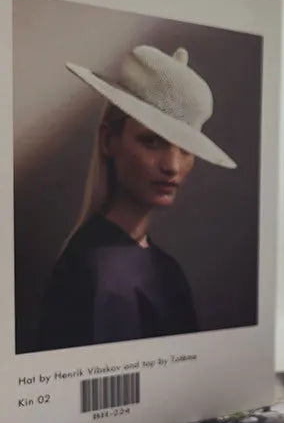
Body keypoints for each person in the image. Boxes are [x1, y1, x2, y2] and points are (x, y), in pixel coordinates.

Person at [36, 45, 236, 351]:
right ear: (108, 141)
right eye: (152, 141)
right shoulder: (94, 269)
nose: (172, 166)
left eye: (185, 148)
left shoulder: (163, 267)